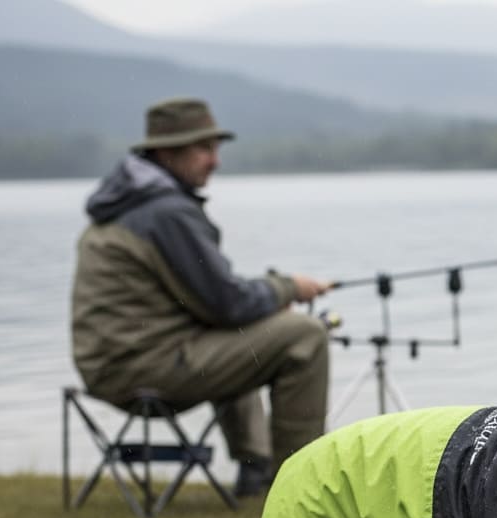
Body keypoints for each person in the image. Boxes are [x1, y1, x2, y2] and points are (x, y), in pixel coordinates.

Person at [71, 96, 332, 497]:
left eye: (215, 149)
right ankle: (297, 488)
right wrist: (289, 287)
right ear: (167, 153)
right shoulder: (165, 213)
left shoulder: (128, 204)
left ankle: (255, 468)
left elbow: (216, 303)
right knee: (306, 335)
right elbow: (229, 304)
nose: (215, 161)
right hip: (142, 368)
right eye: (204, 149)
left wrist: (264, 302)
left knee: (249, 331)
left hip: (109, 365)